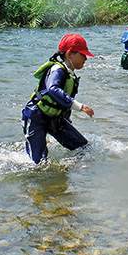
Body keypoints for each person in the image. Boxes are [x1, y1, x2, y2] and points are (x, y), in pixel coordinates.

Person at [22, 33, 95, 164]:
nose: (86, 58)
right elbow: (52, 89)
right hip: (36, 117)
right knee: (38, 162)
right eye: (83, 54)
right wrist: (80, 106)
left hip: (55, 119)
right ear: (70, 54)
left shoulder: (69, 73)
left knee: (82, 147)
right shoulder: (57, 70)